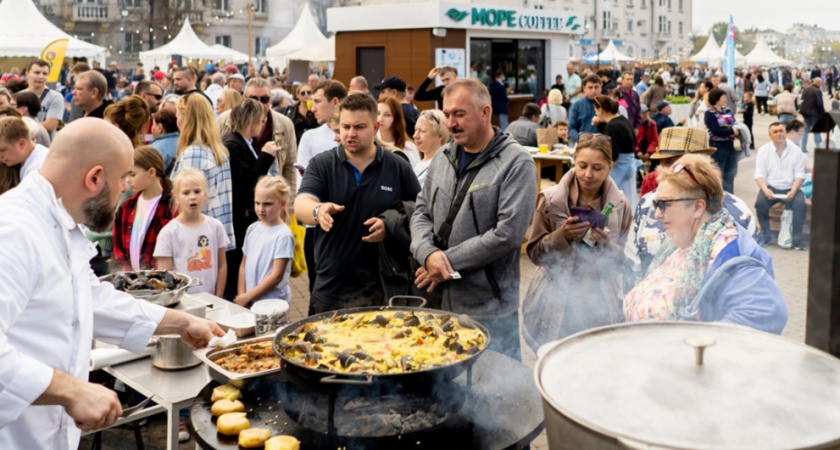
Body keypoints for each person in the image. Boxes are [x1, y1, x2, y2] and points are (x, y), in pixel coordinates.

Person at [0, 118, 223, 448]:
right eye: (123, 178)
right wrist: (72, 390)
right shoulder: (13, 230)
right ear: (94, 178)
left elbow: (90, 298)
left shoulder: (60, 221)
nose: (126, 188)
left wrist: (180, 323)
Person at [410, 79, 537, 360]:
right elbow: (421, 212)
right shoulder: (443, 155)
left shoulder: (516, 163)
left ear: (485, 112)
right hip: (438, 300)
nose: (451, 123)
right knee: (441, 391)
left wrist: (445, 261)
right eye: (447, 114)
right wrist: (427, 253)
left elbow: (508, 233)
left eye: (460, 114)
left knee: (493, 393)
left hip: (488, 307)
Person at [623, 154, 788, 334]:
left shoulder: (729, 251)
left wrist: (696, 347)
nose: (657, 214)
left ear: (698, 207)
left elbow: (767, 312)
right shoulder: (683, 243)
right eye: (656, 204)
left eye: (664, 204)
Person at [295, 93, 421, 314]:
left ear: (375, 127)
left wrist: (390, 225)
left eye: (359, 127)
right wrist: (318, 210)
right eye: (345, 127)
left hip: (383, 289)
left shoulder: (397, 166)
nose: (350, 133)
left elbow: (420, 212)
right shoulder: (322, 164)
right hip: (331, 289)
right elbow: (301, 203)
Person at [522, 131, 631, 350]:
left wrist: (608, 245)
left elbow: (621, 263)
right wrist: (561, 236)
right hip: (554, 300)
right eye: (582, 166)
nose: (588, 174)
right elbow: (534, 253)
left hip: (598, 302)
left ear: (610, 166)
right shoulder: (552, 200)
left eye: (597, 168)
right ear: (573, 162)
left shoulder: (620, 206)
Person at [626, 127, 760, 290]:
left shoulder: (737, 211)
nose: (674, 170)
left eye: (681, 163)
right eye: (667, 162)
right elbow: (632, 265)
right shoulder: (648, 204)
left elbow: (754, 276)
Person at [222, 98, 279, 300]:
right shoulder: (233, 144)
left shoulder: (242, 142)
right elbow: (247, 185)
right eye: (261, 120)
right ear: (251, 120)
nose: (263, 124)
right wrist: (265, 157)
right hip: (241, 220)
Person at [296, 80, 348, 294]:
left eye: (317, 101)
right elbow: (304, 186)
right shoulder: (310, 137)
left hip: (350, 226)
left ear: (334, 102)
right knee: (318, 290)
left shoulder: (357, 137)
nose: (312, 107)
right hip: (316, 228)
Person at [217, 77, 297, 201]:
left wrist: (288, 205)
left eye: (264, 99)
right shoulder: (224, 120)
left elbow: (290, 168)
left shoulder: (284, 124)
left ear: (270, 100)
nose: (259, 104)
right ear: (244, 99)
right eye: (253, 99)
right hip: (239, 204)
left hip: (273, 203)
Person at [172, 94, 235, 249]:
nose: (176, 120)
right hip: (215, 235)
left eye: (178, 115)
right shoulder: (219, 151)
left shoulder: (193, 153)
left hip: (197, 240)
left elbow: (187, 202)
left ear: (187, 118)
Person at [155, 168, 229, 296]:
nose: (193, 197)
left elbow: (222, 265)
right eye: (186, 193)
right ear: (176, 198)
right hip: (182, 303)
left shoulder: (215, 226)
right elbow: (166, 276)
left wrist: (219, 297)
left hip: (212, 300)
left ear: (205, 195)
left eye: (197, 191)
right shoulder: (168, 233)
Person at [234, 175, 295, 307]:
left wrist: (248, 296)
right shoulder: (252, 229)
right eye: (257, 203)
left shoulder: (283, 234)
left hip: (273, 304)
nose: (261, 209)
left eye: (267, 204)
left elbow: (277, 275)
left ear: (282, 204)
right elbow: (243, 266)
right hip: (251, 302)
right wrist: (242, 295)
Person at [112, 146, 176, 271]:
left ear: (151, 172)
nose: (128, 180)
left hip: (162, 283)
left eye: (133, 174)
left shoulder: (173, 206)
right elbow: (117, 248)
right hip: (132, 283)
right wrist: (128, 275)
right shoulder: (125, 208)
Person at [754, 122, 809, 250]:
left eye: (781, 131)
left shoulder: (796, 150)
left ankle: (797, 240)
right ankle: (766, 236)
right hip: (771, 187)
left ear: (785, 133)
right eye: (775, 132)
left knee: (801, 205)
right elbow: (759, 174)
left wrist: (793, 191)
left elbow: (800, 174)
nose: (779, 134)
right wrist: (765, 189)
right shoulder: (763, 151)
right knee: (760, 204)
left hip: (791, 187)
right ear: (770, 135)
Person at [594, 95, 638, 210]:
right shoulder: (622, 120)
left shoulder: (613, 126)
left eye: (596, 111)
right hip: (628, 165)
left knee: (615, 202)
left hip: (620, 167)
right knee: (629, 199)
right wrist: (600, 124)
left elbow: (612, 154)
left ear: (600, 110)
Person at [705, 87, 740, 194]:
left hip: (729, 144)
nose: (725, 98)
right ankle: (719, 197)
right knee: (719, 173)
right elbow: (714, 130)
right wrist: (731, 131)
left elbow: (734, 122)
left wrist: (737, 129)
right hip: (718, 145)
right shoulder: (710, 113)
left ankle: (730, 196)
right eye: (723, 97)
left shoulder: (728, 110)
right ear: (716, 99)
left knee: (730, 173)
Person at [23, 59, 64, 136]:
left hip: (45, 144)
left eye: (45, 74)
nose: (41, 76)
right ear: (27, 74)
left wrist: (20, 127)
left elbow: (50, 126)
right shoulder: (18, 97)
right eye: (37, 73)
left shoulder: (55, 97)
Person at [377, 96, 420, 166]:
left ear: (396, 119)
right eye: (378, 113)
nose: (380, 119)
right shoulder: (370, 144)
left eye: (387, 115)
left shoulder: (408, 148)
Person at [412, 109, 449, 185]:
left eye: (422, 131)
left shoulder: (441, 166)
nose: (415, 136)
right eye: (415, 130)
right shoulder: (421, 163)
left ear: (440, 136)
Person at [568, 74, 602, 144]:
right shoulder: (576, 105)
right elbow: (571, 128)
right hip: (582, 144)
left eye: (596, 87)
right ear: (584, 88)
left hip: (602, 144)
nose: (593, 90)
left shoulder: (608, 105)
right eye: (590, 87)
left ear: (601, 87)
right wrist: (581, 139)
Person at [149, 108, 179, 175]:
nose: (152, 127)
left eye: (153, 124)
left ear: (160, 128)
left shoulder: (153, 149)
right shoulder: (184, 143)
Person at [800, 77, 825, 152]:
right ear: (818, 83)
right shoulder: (817, 91)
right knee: (816, 131)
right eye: (821, 83)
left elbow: (801, 101)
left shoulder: (805, 90)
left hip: (806, 114)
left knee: (805, 131)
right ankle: (818, 148)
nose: (821, 85)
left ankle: (803, 148)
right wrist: (822, 114)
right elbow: (819, 104)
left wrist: (802, 112)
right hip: (815, 114)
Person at [635, 104, 659, 169]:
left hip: (648, 148)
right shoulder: (633, 124)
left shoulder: (652, 123)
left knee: (657, 159)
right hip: (636, 149)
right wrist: (638, 151)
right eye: (643, 113)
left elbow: (655, 140)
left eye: (646, 113)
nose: (645, 115)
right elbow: (631, 141)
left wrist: (648, 152)